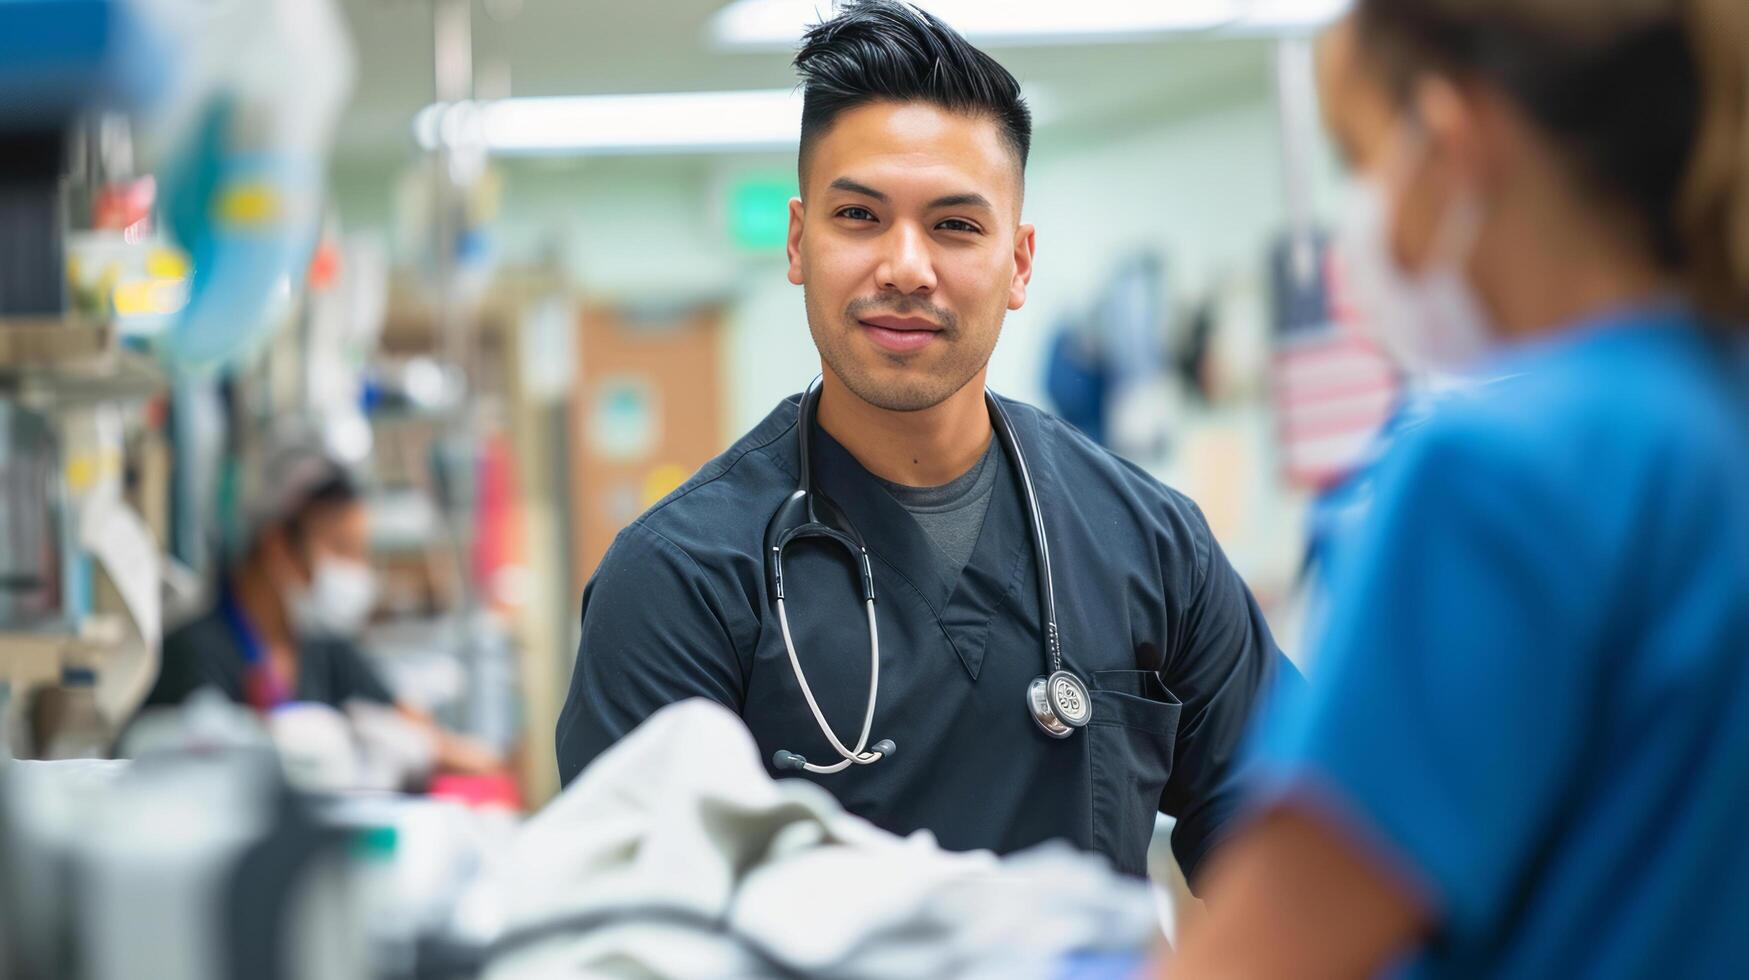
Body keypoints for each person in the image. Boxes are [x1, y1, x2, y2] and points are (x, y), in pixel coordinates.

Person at [555, 0, 1295, 882]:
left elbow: (1299, 858)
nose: (906, 266)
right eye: (860, 216)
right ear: (798, 242)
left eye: (955, 225)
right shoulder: (680, 578)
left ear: (1018, 263)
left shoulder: (1150, 546)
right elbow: (629, 928)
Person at [1171, 1, 1749, 976]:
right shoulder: (1706, 423)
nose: (1370, 217)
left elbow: (1260, 960)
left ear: (1450, 137)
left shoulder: (1500, 472)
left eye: (1363, 164)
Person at [143, 440, 503, 776]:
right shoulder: (194, 654)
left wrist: (479, 757)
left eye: (363, 553)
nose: (358, 572)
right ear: (276, 545)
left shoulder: (324, 651)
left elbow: (423, 732)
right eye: (342, 549)